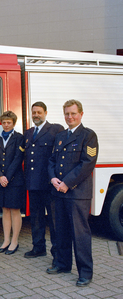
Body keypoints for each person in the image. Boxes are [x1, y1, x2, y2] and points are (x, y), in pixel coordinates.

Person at [47, 100, 98, 287]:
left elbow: (87, 163)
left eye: (73, 113)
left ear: (81, 114)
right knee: (60, 231)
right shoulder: (60, 136)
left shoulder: (88, 135)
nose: (70, 117)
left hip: (77, 193)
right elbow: (52, 160)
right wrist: (53, 178)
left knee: (80, 234)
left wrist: (67, 183)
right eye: (67, 114)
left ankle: (85, 272)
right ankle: (62, 264)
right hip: (59, 191)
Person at [23, 102, 64, 263]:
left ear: (45, 113)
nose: (36, 115)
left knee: (54, 221)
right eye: (34, 113)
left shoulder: (55, 130)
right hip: (33, 184)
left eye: (39, 112)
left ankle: (57, 254)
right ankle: (38, 248)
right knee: (36, 218)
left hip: (49, 184)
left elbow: (59, 157)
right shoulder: (29, 133)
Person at [0, 111, 25, 255]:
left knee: (14, 210)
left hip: (15, 181)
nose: (6, 125)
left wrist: (7, 177)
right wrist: (0, 176)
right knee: (5, 210)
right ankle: (6, 240)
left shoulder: (19, 138)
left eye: (9, 123)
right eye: (4, 122)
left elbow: (18, 159)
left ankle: (14, 241)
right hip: (1, 181)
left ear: (13, 123)